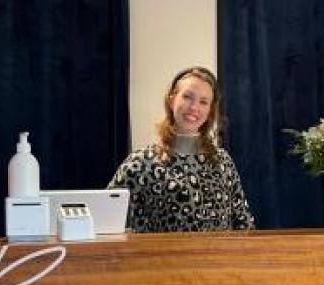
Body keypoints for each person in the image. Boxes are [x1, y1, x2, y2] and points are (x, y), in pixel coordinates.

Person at [108, 66, 255, 233]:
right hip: (162, 259)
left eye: (203, 102)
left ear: (210, 111)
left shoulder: (223, 162)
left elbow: (244, 223)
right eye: (187, 97)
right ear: (172, 100)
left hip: (219, 259)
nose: (194, 107)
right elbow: (107, 222)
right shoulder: (140, 163)